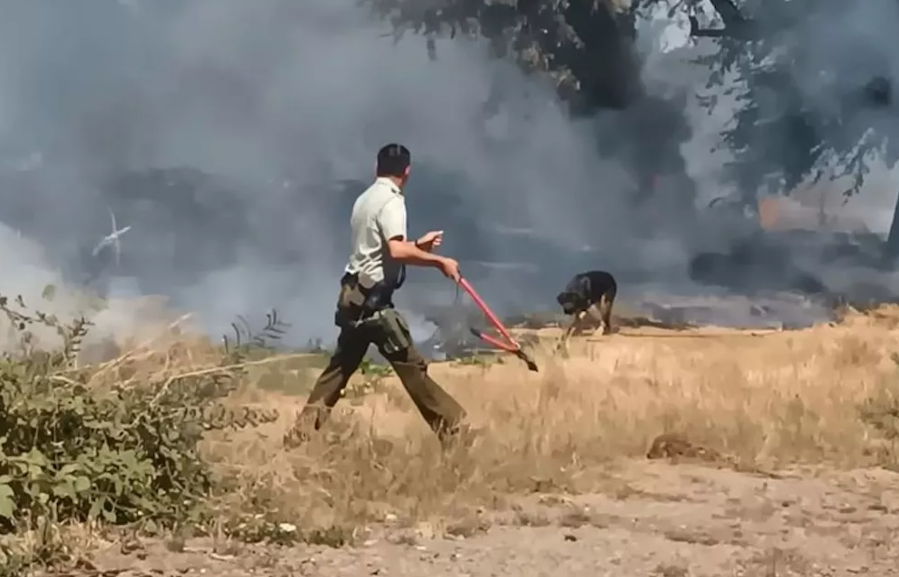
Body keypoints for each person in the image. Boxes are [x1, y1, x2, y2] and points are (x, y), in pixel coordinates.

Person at [283, 143, 468, 448]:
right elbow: (395, 250)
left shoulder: (365, 199)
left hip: (353, 298)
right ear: (407, 172)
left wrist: (419, 246)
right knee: (412, 367)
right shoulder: (392, 202)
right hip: (373, 304)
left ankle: (299, 438)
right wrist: (440, 261)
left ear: (376, 168)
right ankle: (455, 429)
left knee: (337, 372)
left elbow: (379, 250)